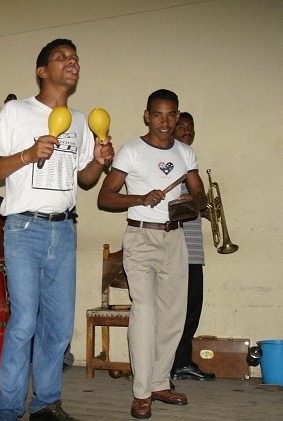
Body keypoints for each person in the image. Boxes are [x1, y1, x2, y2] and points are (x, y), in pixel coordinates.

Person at [0, 38, 114, 421]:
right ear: (43, 71)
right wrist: (28, 154)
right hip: (24, 229)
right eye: (62, 57)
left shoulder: (83, 120)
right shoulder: (16, 112)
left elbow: (84, 181)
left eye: (75, 57)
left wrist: (100, 161)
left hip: (65, 230)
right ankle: (6, 409)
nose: (72, 61)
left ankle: (45, 404)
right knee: (24, 321)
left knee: (58, 326)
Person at [97, 89, 207, 419]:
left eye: (171, 115)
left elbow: (200, 195)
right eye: (158, 115)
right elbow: (105, 197)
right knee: (144, 312)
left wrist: (187, 204)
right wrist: (140, 198)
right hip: (141, 238)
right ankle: (141, 392)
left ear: (177, 116)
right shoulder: (131, 151)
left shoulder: (186, 153)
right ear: (147, 116)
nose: (165, 122)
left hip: (175, 240)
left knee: (173, 316)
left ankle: (160, 383)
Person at [170, 112, 216, 382]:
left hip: (193, 247)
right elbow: (173, 203)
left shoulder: (189, 161)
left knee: (192, 308)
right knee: (181, 311)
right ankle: (177, 364)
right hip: (179, 248)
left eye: (191, 127)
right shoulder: (175, 162)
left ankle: (181, 362)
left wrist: (205, 210)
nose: (187, 131)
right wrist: (191, 202)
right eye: (181, 126)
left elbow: (193, 203)